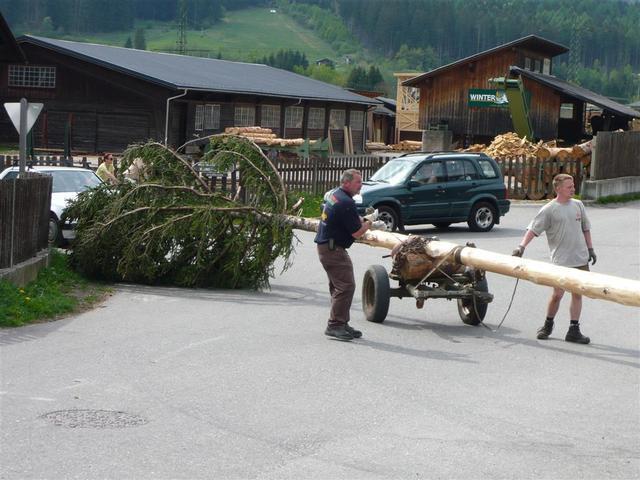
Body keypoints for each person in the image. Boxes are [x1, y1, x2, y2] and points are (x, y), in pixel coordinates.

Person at [512, 173, 596, 344]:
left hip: (580, 258)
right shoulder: (549, 209)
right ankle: (547, 325)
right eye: (569, 187)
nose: (573, 189)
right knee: (557, 294)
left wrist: (590, 249)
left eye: (573, 186)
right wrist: (521, 247)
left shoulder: (578, 205)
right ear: (558, 189)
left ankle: (574, 330)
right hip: (561, 261)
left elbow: (586, 228)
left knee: (578, 295)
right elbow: (533, 230)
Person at [315, 169, 372, 341]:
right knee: (346, 286)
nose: (360, 185)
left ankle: (342, 323)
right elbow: (356, 233)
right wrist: (369, 224)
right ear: (346, 183)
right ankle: (335, 325)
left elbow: (345, 218)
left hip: (326, 246)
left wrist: (360, 220)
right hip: (333, 249)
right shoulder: (346, 202)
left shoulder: (335, 195)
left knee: (337, 286)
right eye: (357, 182)